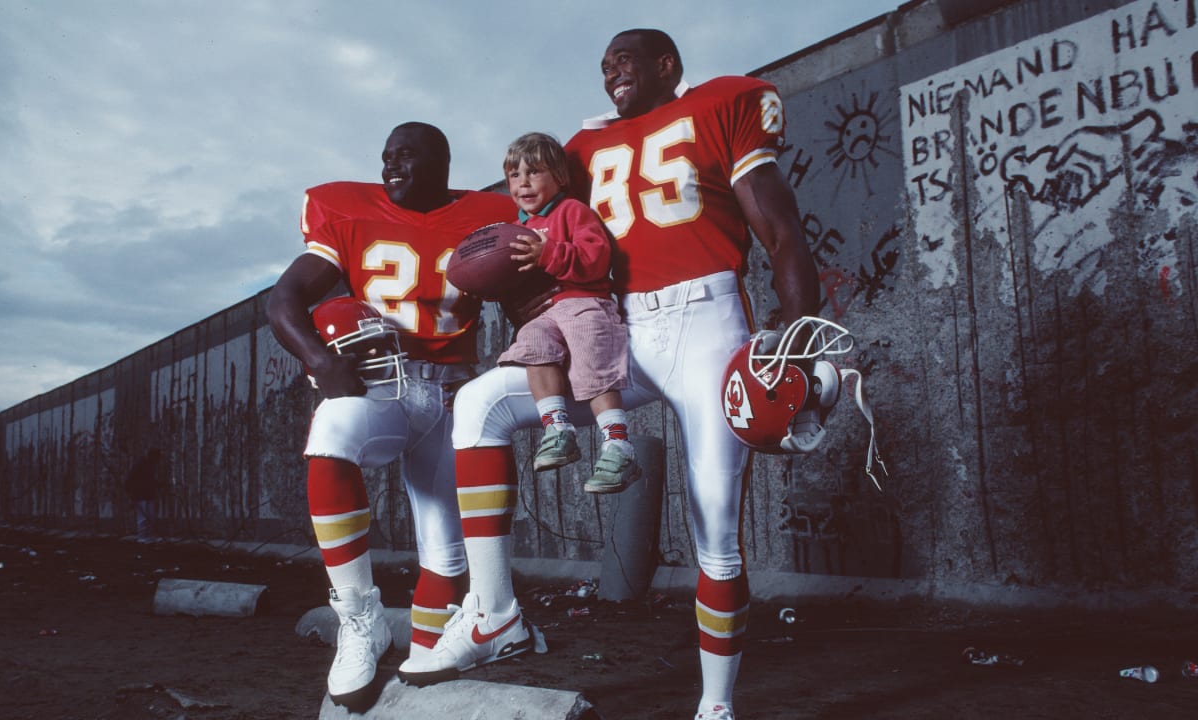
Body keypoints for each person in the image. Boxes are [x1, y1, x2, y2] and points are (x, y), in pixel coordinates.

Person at [397, 30, 820, 720]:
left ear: (666, 65)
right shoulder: (582, 149)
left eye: (624, 59)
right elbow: (545, 232)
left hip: (706, 322)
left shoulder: (725, 103)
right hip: (617, 324)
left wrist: (798, 329)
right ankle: (495, 611)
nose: (609, 71)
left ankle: (716, 706)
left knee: (715, 525)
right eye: (602, 64)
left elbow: (779, 227)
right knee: (479, 405)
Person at [266, 121, 515, 709]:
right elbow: (282, 301)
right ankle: (359, 619)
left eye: (405, 155)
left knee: (447, 553)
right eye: (385, 157)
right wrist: (320, 362)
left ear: (441, 163)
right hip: (385, 389)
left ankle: (421, 668)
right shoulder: (348, 211)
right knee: (329, 433)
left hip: (456, 391)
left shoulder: (489, 215)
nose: (389, 166)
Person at [498, 132, 637, 494]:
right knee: (531, 341)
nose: (523, 182)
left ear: (559, 176)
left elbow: (596, 259)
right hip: (548, 312)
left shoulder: (571, 211)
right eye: (514, 175)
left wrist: (548, 254)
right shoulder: (517, 229)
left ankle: (618, 444)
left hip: (585, 301)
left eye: (534, 172)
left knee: (589, 355)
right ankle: (558, 429)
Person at [124, 447, 161, 543]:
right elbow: (129, 480)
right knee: (142, 517)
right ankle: (142, 537)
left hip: (149, 494)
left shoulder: (150, 466)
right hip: (140, 495)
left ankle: (149, 536)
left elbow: (151, 481)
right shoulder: (140, 465)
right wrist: (132, 494)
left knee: (150, 516)